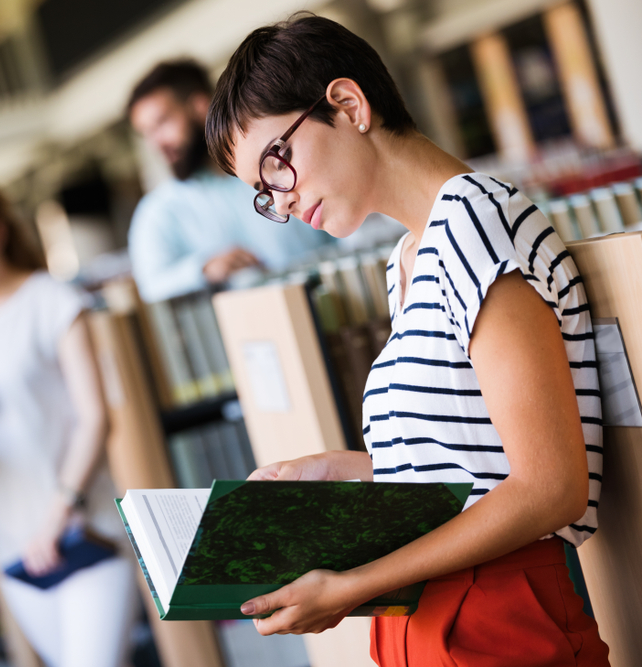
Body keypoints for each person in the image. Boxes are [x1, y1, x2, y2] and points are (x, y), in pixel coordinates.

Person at [205, 15, 609, 666]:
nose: (282, 203)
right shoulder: (410, 257)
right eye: (263, 194)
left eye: (276, 166)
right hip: (428, 619)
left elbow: (549, 484)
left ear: (347, 103)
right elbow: (473, 466)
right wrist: (347, 469)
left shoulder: (476, 221)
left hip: (498, 619)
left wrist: (354, 584)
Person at [0, 177, 137, 667]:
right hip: (15, 541)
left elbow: (95, 418)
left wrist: (61, 512)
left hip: (84, 525)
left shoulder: (51, 300)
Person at [126, 59, 333, 302]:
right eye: (147, 133)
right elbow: (151, 286)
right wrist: (204, 269)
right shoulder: (158, 211)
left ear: (200, 106)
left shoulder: (282, 166)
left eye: (162, 123)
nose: (156, 144)